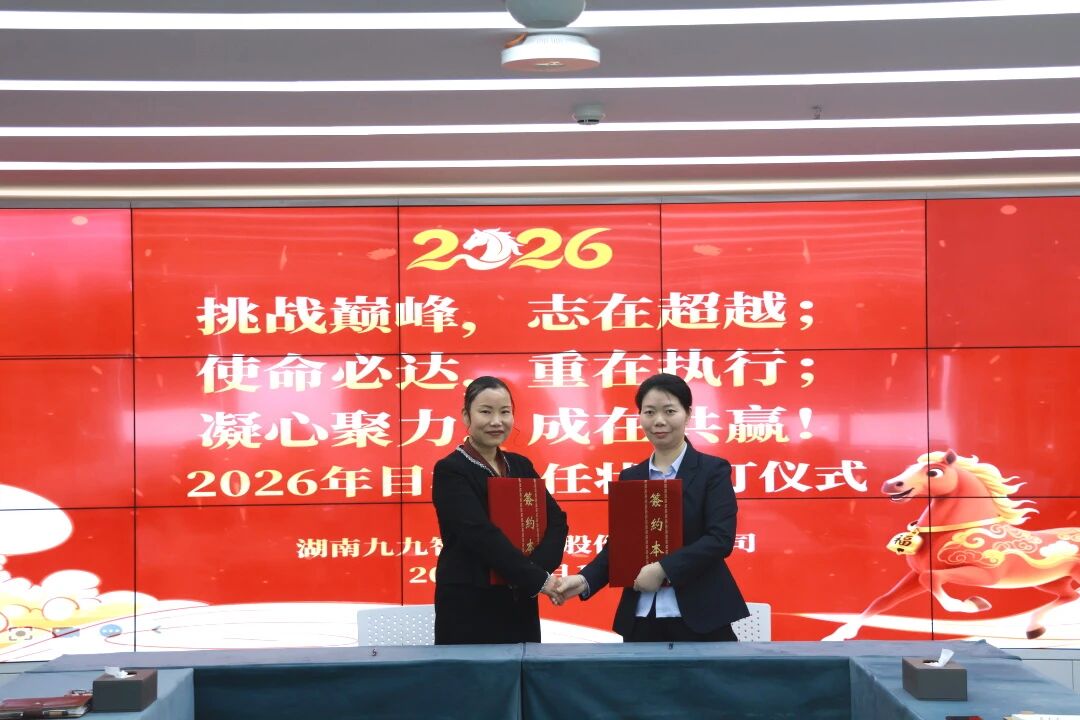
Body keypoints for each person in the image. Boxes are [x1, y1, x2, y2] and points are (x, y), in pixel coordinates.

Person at [554, 373, 748, 642]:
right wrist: (584, 580)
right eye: (649, 412)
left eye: (669, 411)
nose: (659, 420)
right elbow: (621, 546)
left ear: (688, 414)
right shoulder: (631, 477)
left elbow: (720, 539)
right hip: (641, 617)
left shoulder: (712, 471)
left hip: (702, 616)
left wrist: (663, 569)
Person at [432, 375, 568, 644]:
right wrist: (535, 578)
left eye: (505, 412)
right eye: (486, 411)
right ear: (466, 415)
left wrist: (537, 571)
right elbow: (478, 534)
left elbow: (556, 521)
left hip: (519, 599)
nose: (497, 421)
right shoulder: (451, 470)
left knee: (523, 669)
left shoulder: (521, 466)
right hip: (469, 603)